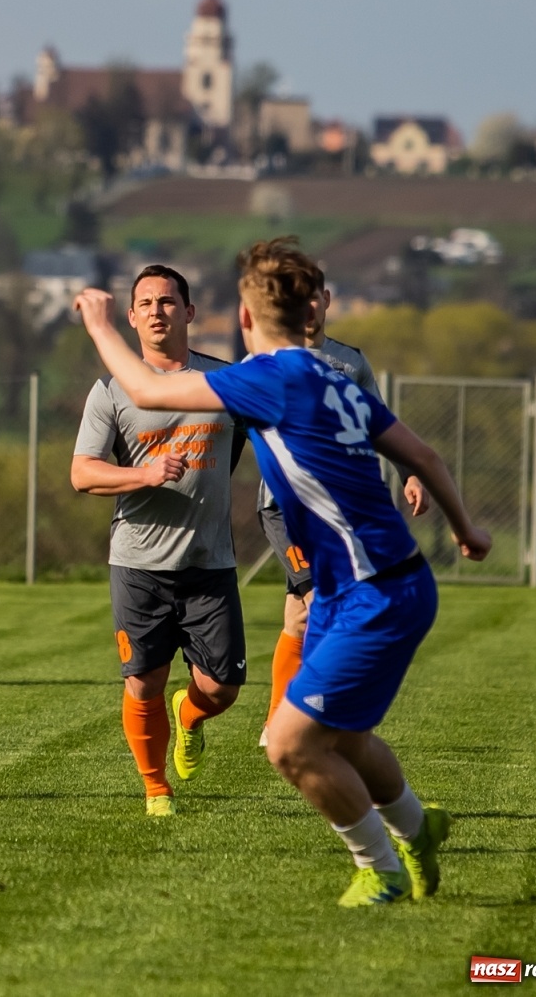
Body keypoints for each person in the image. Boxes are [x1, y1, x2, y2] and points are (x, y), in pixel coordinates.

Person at [73, 236, 491, 908]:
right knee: (344, 737)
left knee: (291, 746)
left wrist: (98, 322)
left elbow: (147, 386)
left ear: (244, 318)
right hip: (379, 580)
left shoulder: (269, 379)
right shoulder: (335, 379)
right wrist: (466, 529)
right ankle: (418, 826)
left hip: (373, 590)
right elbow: (425, 456)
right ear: (312, 314)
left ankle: (379, 866)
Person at [71, 265, 246, 817]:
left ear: (189, 312)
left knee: (221, 689)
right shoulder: (111, 390)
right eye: (145, 303)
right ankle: (155, 788)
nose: (156, 311)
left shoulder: (224, 382)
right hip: (139, 562)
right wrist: (142, 475)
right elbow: (82, 473)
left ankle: (189, 716)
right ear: (130, 317)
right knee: (144, 682)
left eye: (167, 302)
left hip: (209, 561)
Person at [256, 285, 430, 747]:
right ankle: (318, 717)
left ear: (327, 299)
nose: (307, 306)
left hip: (334, 515)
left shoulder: (350, 363)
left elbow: (381, 426)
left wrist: (409, 474)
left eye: (313, 297)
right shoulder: (270, 360)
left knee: (298, 619)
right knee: (323, 606)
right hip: (283, 510)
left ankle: (279, 719)